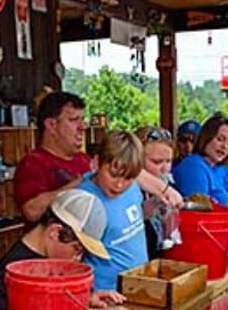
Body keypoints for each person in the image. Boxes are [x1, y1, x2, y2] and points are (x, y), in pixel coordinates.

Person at [0, 189, 123, 310]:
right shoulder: (13, 269)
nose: (78, 259)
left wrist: (85, 300)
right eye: (77, 249)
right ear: (54, 232)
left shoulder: (55, 260)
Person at [14, 91, 182, 224]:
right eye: (74, 120)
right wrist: (76, 185)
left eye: (82, 119)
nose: (82, 127)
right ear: (51, 125)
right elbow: (31, 211)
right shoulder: (33, 163)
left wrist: (162, 194)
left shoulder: (83, 159)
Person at [79, 130, 149, 292]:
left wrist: (156, 205)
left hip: (140, 284)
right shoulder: (85, 200)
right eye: (113, 175)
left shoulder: (132, 188)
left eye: (128, 178)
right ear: (97, 163)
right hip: (106, 292)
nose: (119, 185)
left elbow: (132, 219)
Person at [172, 113, 228, 225]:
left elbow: (216, 207)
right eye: (220, 139)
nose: (224, 146)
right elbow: (198, 212)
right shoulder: (194, 166)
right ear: (206, 137)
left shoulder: (213, 168)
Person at [136, 126, 180, 257]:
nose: (164, 168)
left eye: (168, 161)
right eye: (157, 162)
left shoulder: (167, 183)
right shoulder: (128, 187)